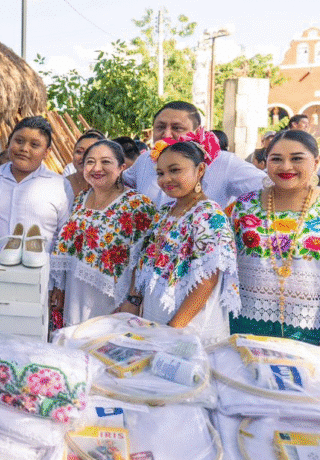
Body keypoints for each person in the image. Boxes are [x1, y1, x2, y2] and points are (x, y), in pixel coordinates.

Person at [117, 132, 240, 344]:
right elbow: (145, 259)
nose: (166, 179)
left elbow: (206, 281)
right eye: (161, 173)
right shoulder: (165, 211)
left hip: (190, 327)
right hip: (156, 319)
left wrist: (172, 330)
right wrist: (133, 299)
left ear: (200, 170)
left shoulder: (209, 216)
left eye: (175, 170)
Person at [50, 140, 158, 326]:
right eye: (90, 162)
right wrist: (60, 287)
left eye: (106, 162)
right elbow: (68, 248)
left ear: (121, 167)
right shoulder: (80, 199)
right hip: (75, 296)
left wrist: (132, 301)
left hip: (112, 302)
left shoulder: (137, 204)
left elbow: (142, 260)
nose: (96, 168)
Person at [230, 130, 320, 343]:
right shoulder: (244, 206)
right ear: (265, 162)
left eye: (297, 158)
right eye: (276, 159)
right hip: (247, 323)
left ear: (316, 162)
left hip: (309, 328)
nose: (286, 166)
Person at [123, 101, 265, 207]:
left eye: (177, 128)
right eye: (160, 127)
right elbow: (118, 183)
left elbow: (268, 187)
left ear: (197, 132)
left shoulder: (224, 162)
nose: (166, 134)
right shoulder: (145, 159)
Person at [0, 116, 73, 259]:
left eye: (34, 145)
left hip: (41, 276)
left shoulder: (59, 186)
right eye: (19, 141)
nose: (24, 149)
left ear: (47, 152)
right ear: (9, 142)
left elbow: (65, 236)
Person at [65, 131, 106, 197]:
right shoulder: (60, 185)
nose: (83, 157)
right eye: (79, 152)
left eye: (90, 152)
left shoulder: (110, 188)